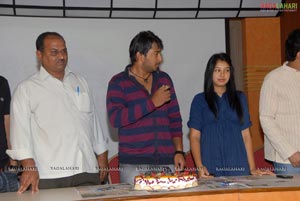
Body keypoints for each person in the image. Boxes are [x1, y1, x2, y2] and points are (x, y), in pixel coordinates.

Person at [6, 32, 108, 193]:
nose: (61, 56)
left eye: (64, 51)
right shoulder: (26, 89)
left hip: (87, 169)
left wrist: (102, 156)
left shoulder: (80, 82)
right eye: (54, 52)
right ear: (39, 54)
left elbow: (93, 122)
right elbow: (19, 133)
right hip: (51, 175)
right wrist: (29, 166)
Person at [106, 31, 185, 184]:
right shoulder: (118, 82)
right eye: (156, 54)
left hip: (167, 162)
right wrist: (151, 103)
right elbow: (115, 119)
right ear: (140, 56)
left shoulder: (164, 79)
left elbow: (175, 119)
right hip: (133, 165)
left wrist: (179, 151)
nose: (160, 59)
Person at [188, 53, 273, 177]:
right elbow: (194, 137)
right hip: (210, 164)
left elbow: (246, 135)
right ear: (210, 73)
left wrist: (252, 168)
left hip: (238, 163)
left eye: (226, 70)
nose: (222, 74)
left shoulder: (240, 98)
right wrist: (200, 167)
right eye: (218, 70)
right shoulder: (199, 100)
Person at [259, 28, 300, 175]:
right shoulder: (274, 79)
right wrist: (290, 152)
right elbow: (266, 119)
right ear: (299, 54)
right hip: (287, 160)